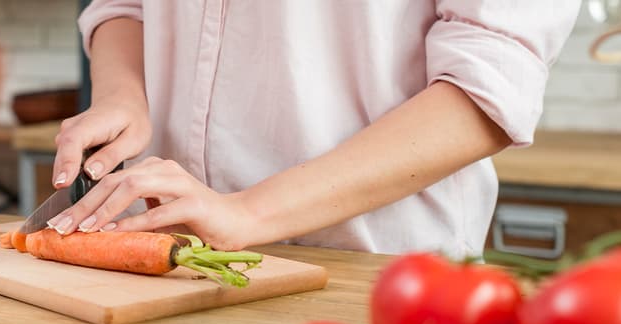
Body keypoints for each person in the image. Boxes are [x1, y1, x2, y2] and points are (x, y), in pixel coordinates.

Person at [46, 1, 579, 258]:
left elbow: (489, 86)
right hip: (167, 256)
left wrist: (247, 211)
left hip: (373, 271)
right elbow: (125, 6)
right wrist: (122, 92)